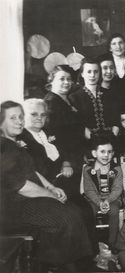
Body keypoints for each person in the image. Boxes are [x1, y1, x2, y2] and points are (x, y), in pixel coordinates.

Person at [0, 101, 93, 271]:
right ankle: (60, 267)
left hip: (26, 201)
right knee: (65, 218)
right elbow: (20, 185)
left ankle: (70, 266)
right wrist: (49, 195)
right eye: (13, 118)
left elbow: (32, 172)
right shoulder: (3, 147)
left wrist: (51, 187)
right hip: (12, 208)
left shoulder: (15, 144)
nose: (19, 121)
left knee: (73, 212)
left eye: (21, 117)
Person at [83, 136, 123, 248]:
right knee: (88, 211)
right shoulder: (87, 169)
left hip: (112, 198)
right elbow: (89, 190)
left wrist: (107, 200)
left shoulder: (116, 169)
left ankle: (112, 242)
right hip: (94, 199)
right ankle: (92, 242)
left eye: (109, 152)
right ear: (94, 153)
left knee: (114, 210)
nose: (106, 155)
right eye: (102, 151)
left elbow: (117, 188)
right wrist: (99, 202)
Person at [43, 65, 85, 169]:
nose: (66, 82)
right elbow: (52, 136)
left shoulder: (69, 100)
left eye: (69, 79)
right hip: (65, 162)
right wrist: (65, 161)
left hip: (76, 156)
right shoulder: (50, 103)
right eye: (62, 79)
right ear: (51, 81)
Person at [69, 58, 119, 140]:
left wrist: (113, 138)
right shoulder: (74, 97)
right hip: (89, 142)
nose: (92, 75)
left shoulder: (110, 94)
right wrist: (95, 141)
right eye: (89, 72)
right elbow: (79, 125)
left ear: (99, 73)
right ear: (82, 74)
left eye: (96, 71)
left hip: (112, 139)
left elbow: (116, 120)